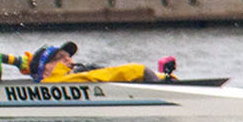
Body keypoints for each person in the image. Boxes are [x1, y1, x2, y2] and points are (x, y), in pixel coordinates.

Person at [16, 41, 178, 83]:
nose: (68, 60)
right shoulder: (57, 81)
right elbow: (134, 70)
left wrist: (163, 77)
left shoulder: (76, 75)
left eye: (68, 56)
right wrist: (142, 72)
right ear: (44, 70)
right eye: (58, 59)